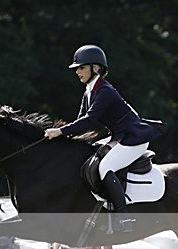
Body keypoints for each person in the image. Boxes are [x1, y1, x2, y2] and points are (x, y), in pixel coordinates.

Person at [44, 44, 162, 233]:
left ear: (96, 68)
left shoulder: (105, 90)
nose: (77, 72)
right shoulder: (89, 91)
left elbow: (90, 120)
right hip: (119, 136)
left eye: (81, 67)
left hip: (134, 138)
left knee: (105, 167)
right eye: (77, 68)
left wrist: (60, 132)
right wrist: (63, 139)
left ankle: (123, 218)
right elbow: (80, 121)